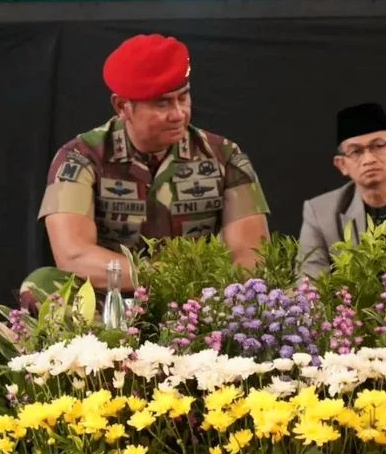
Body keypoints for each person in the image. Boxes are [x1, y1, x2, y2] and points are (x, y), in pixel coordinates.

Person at [38, 33, 270, 290]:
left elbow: (251, 256)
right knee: (42, 284)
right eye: (162, 104)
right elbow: (74, 256)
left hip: (199, 297)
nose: (178, 114)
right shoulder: (81, 158)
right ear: (122, 106)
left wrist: (199, 295)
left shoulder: (224, 156)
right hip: (111, 300)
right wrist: (158, 278)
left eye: (183, 98)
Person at [298, 103, 386, 278]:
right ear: (342, 165)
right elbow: (310, 285)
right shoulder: (320, 213)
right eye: (356, 152)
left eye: (378, 146)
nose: (369, 159)